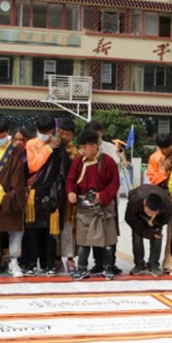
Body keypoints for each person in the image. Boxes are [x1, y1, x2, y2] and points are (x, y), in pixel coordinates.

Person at [66, 129, 120, 280]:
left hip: (103, 207)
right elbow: (70, 180)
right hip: (84, 207)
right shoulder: (78, 162)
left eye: (84, 147)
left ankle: (108, 268)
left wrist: (101, 196)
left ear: (94, 146)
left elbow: (115, 184)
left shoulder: (108, 161)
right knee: (83, 241)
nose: (82, 151)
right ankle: (82, 269)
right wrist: (70, 192)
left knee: (108, 241)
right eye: (80, 148)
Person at [21, 115, 68, 274]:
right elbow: (32, 166)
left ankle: (49, 264)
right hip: (34, 193)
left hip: (51, 193)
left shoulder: (59, 147)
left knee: (50, 232)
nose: (43, 135)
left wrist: (57, 193)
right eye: (41, 131)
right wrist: (48, 148)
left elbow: (62, 172)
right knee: (32, 231)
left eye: (46, 132)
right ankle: (32, 264)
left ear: (52, 131)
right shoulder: (31, 144)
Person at [0, 118, 27, 278]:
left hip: (13, 196)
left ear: (7, 132)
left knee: (15, 230)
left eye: (1, 136)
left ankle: (14, 262)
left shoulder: (16, 150)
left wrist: (12, 194)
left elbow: (18, 174)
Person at [86, 120, 122, 275]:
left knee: (110, 231)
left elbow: (115, 174)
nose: (96, 139)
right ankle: (98, 263)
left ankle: (110, 263)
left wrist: (107, 195)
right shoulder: (84, 148)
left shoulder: (109, 148)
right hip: (92, 196)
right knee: (95, 230)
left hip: (109, 196)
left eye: (98, 135)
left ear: (102, 133)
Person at [126, 184, 172, 276]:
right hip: (138, 218)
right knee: (137, 237)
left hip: (157, 220)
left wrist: (155, 229)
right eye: (149, 211)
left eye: (154, 212)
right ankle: (139, 264)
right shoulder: (135, 201)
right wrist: (147, 232)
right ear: (144, 203)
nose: (151, 215)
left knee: (157, 236)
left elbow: (164, 220)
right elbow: (130, 219)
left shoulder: (166, 205)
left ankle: (154, 263)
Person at [57, 118, 79, 273]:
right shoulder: (51, 147)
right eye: (61, 133)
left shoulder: (76, 153)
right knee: (53, 228)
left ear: (72, 135)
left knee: (68, 227)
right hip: (53, 195)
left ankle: (70, 258)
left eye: (67, 134)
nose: (63, 136)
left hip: (68, 197)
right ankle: (56, 258)